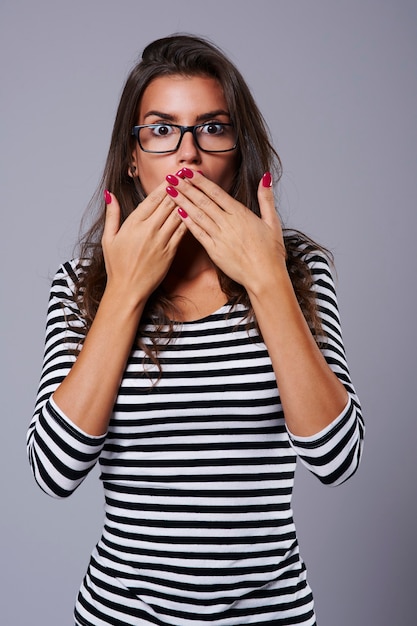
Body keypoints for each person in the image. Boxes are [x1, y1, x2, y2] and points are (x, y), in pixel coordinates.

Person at [27, 34, 364, 626]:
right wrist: (126, 290)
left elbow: (337, 459)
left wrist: (266, 281)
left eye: (211, 128)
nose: (187, 156)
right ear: (133, 158)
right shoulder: (81, 284)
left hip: (271, 614)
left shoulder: (296, 272)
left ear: (239, 149)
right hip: (120, 614)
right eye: (161, 130)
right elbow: (54, 471)